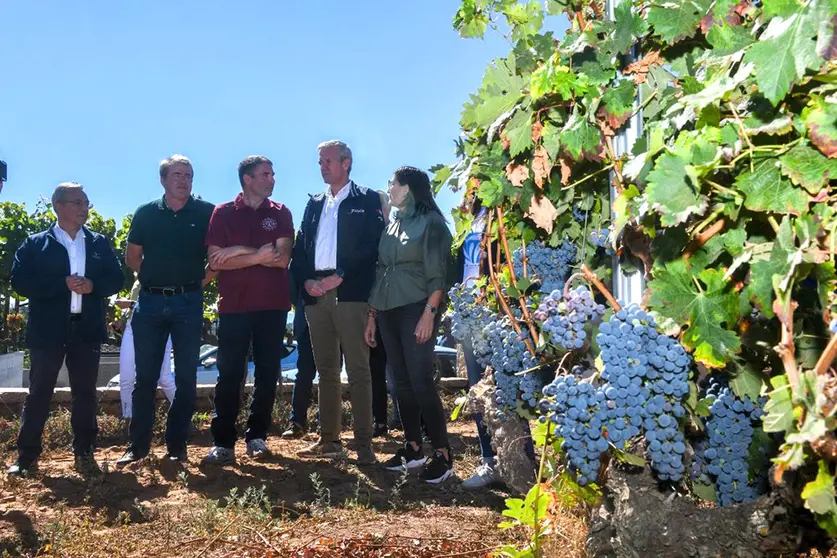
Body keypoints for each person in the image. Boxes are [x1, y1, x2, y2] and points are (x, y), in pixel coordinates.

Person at [8, 183, 124, 477]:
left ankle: (84, 452)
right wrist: (61, 284)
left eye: (86, 203)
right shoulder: (36, 244)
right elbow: (20, 281)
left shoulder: (98, 243)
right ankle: (26, 456)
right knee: (39, 392)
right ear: (58, 206)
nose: (84, 208)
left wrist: (94, 286)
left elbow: (116, 278)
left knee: (85, 393)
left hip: (86, 329)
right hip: (47, 330)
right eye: (77, 202)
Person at [117, 154, 215, 466]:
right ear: (162, 180)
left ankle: (176, 446)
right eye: (177, 175)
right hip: (150, 303)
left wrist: (195, 282)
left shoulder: (207, 213)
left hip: (188, 302)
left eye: (188, 175)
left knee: (186, 377)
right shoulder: (146, 213)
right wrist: (154, 281)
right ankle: (138, 447)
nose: (184, 180)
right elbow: (133, 257)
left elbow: (216, 258)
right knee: (145, 377)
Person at [291, 140, 384, 464]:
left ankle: (364, 445)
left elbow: (372, 246)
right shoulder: (314, 203)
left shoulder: (366, 199)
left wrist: (340, 275)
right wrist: (306, 281)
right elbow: (300, 248)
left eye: (328, 161)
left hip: (351, 294)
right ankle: (329, 440)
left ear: (346, 162)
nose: (322, 167)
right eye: (320, 162)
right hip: (316, 294)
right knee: (326, 371)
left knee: (358, 370)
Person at [201, 156, 294, 464]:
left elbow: (282, 259)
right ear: (247, 179)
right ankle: (223, 442)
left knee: (267, 373)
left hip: (273, 306)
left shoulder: (280, 212)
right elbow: (216, 261)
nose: (272, 179)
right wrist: (257, 256)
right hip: (234, 307)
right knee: (229, 374)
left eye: (273, 174)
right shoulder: (223, 213)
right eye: (265, 174)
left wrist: (237, 252)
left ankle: (257, 437)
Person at [364, 166, 454, 484]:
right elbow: (381, 270)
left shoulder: (432, 223)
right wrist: (372, 316)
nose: (389, 187)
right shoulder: (393, 223)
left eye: (392, 183)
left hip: (417, 308)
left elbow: (438, 273)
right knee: (399, 382)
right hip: (387, 310)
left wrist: (429, 313)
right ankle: (413, 448)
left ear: (408, 188)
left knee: (420, 380)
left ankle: (443, 454)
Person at [456, 196, 503, 489]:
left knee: (503, 389)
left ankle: (518, 460)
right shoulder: (470, 217)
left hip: (496, 312)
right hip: (469, 314)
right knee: (478, 390)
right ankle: (490, 461)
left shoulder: (505, 211)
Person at [116, 277, 175, 419]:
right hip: (133, 326)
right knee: (126, 378)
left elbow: (163, 302)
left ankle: (184, 413)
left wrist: (130, 304)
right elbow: (134, 306)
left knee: (164, 377)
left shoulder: (165, 273)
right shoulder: (138, 280)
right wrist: (122, 320)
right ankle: (128, 418)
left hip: (160, 326)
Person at [281, 274, 318, 439]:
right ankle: (297, 423)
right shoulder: (300, 259)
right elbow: (292, 288)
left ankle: (327, 422)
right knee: (304, 374)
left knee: (330, 373)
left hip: (333, 320)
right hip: (305, 321)